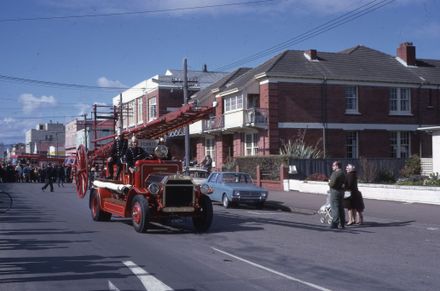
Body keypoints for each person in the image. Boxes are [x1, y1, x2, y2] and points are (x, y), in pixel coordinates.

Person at [328, 161, 346, 229]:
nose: (332, 167)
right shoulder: (343, 173)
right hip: (341, 191)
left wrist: (329, 183)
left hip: (335, 192)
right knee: (341, 208)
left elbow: (332, 183)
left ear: (337, 166)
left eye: (333, 165)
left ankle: (335, 223)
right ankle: (342, 223)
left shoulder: (335, 173)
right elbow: (344, 183)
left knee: (335, 208)